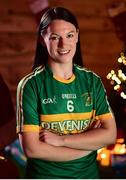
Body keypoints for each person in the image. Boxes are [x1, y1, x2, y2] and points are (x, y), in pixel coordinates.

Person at [16, 7, 117, 179]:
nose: (64, 44)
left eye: (69, 35)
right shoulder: (30, 85)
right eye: (55, 38)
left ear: (77, 35)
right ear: (42, 39)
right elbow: (32, 149)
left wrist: (61, 140)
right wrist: (89, 145)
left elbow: (110, 135)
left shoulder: (92, 81)